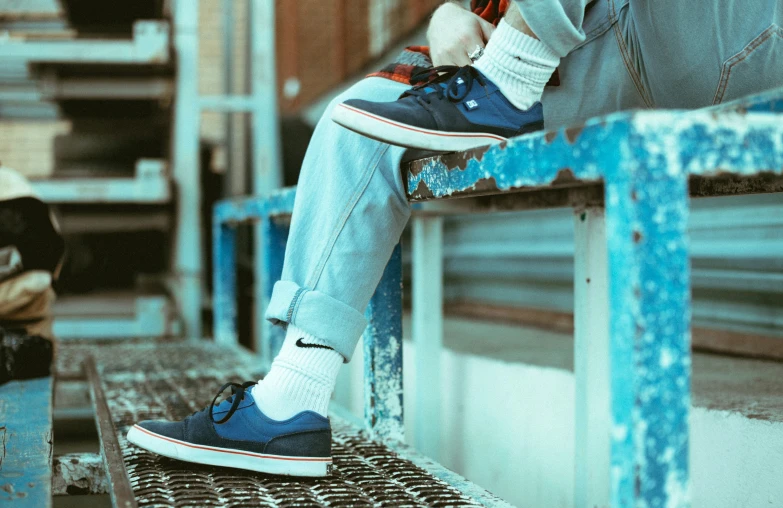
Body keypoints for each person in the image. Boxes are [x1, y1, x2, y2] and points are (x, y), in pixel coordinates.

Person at [127, 0, 783, 476]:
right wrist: (457, 15)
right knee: (362, 115)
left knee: (497, 67)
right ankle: (290, 398)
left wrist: (513, 49)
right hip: (619, 41)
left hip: (737, 27)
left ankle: (509, 76)